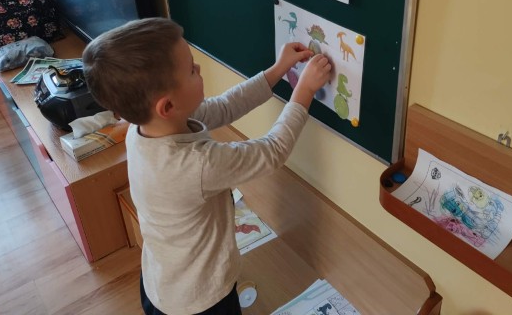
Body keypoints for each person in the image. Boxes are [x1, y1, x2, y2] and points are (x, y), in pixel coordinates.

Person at [82, 17, 332, 315]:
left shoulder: (143, 129)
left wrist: (277, 70)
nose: (199, 68)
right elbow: (272, 151)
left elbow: (225, 107)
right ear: (167, 106)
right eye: (191, 70)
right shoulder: (196, 164)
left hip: (161, 282)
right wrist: (304, 91)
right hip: (201, 301)